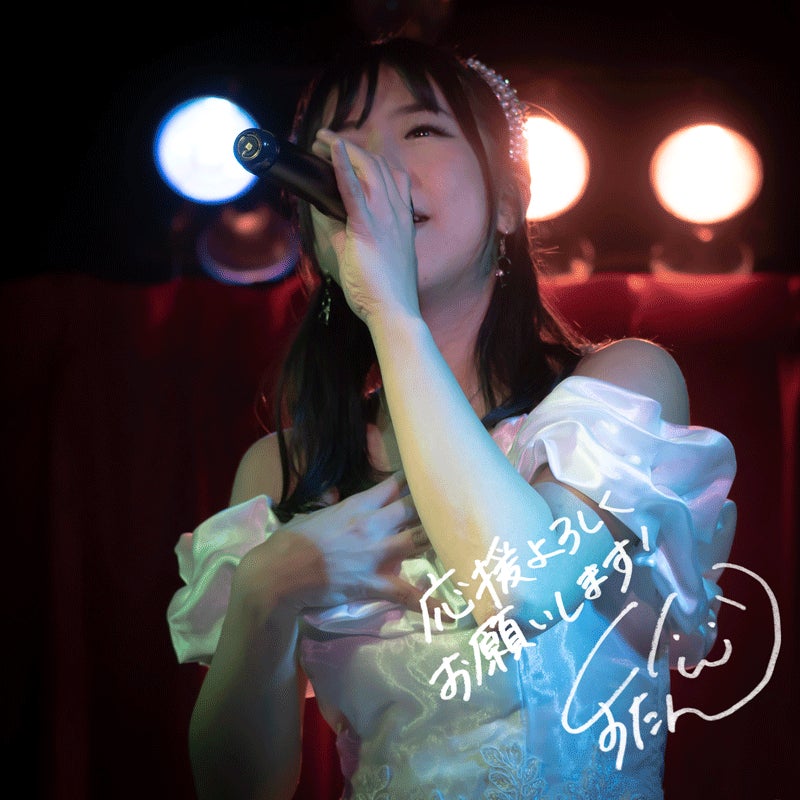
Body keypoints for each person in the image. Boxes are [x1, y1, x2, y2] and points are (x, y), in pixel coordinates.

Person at [167, 36, 737, 800]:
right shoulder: (282, 470)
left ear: (507, 203)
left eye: (419, 129)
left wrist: (392, 310)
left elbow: (528, 589)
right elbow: (238, 789)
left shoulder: (620, 389)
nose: (372, 166)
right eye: (343, 144)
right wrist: (266, 591)